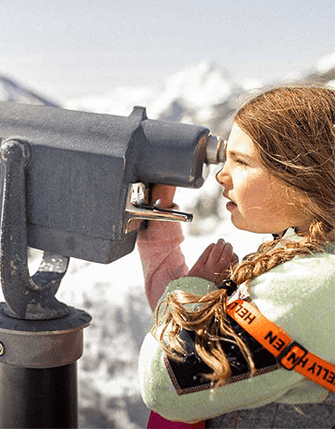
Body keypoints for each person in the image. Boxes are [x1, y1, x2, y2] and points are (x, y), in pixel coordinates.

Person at [137, 84, 335, 428]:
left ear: (300, 177)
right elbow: (191, 337)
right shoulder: (308, 262)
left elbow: (165, 383)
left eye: (241, 162)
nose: (221, 175)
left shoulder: (314, 285)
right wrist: (161, 225)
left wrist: (196, 288)